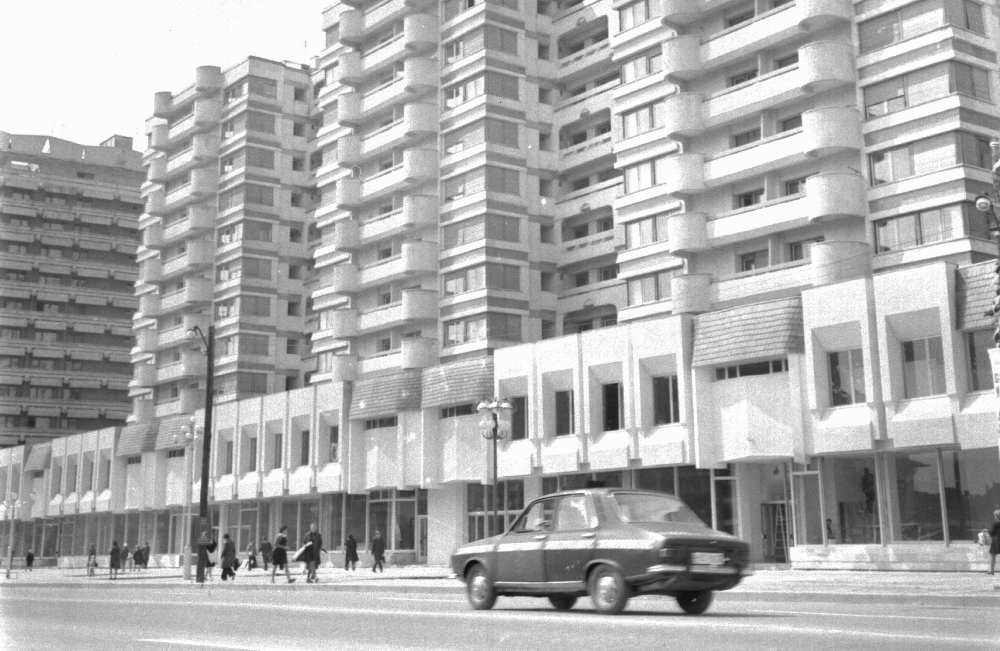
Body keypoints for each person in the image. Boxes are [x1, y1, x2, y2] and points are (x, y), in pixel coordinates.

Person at [989, 509, 1000, 575]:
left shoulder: (995, 522)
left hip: (995, 541)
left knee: (993, 556)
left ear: (996, 515)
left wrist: (987, 531)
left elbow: (991, 532)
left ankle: (992, 570)